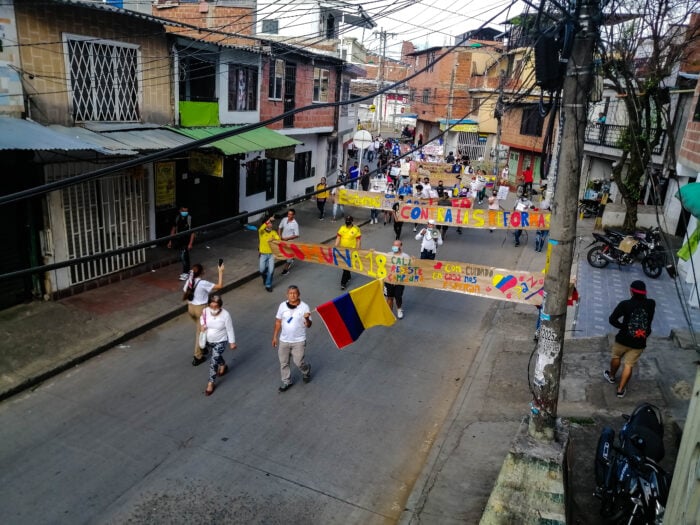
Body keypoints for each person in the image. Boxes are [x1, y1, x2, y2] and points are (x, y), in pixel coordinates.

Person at [604, 280, 656, 398]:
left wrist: (624, 327)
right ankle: (620, 390)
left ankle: (611, 376)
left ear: (631, 292)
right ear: (644, 292)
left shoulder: (625, 304)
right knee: (629, 365)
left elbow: (612, 319)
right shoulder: (651, 303)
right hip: (639, 341)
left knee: (616, 356)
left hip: (623, 338)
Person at [272, 285, 312, 392]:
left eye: (295, 293)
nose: (292, 295)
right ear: (287, 295)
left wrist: (307, 318)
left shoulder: (304, 307)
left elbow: (309, 325)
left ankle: (306, 370)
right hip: (284, 340)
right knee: (283, 363)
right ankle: (286, 381)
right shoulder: (282, 306)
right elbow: (278, 322)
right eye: (290, 293)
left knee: (299, 362)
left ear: (298, 294)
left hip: (298, 341)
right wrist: (275, 337)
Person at [183, 263, 224, 366]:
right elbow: (219, 286)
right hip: (200, 309)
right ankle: (197, 356)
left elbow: (185, 290)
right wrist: (220, 272)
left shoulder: (189, 281)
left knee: (203, 328)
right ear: (202, 272)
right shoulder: (203, 283)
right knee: (200, 332)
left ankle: (203, 346)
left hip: (190, 308)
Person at [200, 294, 236, 396]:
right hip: (209, 340)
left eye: (216, 306)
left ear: (220, 306)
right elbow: (202, 318)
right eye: (211, 306)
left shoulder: (225, 315)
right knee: (216, 356)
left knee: (213, 361)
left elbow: (229, 329)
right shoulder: (205, 311)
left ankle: (210, 383)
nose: (213, 308)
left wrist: (232, 342)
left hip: (221, 340)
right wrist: (203, 325)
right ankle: (223, 365)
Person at [168, 206, 196, 280]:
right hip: (179, 240)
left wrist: (190, 243)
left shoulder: (190, 219)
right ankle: (187, 271)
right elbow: (173, 230)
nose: (185, 212)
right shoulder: (177, 218)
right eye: (183, 211)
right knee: (185, 256)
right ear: (180, 210)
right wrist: (170, 241)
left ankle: (185, 273)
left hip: (186, 241)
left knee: (184, 256)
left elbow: (193, 232)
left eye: (186, 211)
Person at [335, 215, 362, 290]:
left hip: (351, 251)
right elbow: (338, 237)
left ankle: (343, 283)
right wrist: (335, 246)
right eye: (346, 221)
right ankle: (348, 275)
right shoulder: (342, 228)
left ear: (351, 221)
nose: (347, 222)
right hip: (342, 250)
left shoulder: (356, 229)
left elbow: (358, 240)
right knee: (345, 266)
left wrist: (358, 250)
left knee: (346, 266)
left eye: (349, 221)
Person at [384, 240, 409, 319]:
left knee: (398, 296)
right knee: (389, 297)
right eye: (393, 245)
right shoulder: (388, 255)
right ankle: (389, 313)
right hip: (389, 280)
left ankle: (399, 309)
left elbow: (410, 267)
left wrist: (413, 260)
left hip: (400, 281)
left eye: (396, 245)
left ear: (400, 246)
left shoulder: (405, 256)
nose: (394, 247)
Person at [258, 216, 280, 292]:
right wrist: (269, 220)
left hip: (271, 254)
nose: (271, 224)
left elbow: (278, 239)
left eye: (271, 223)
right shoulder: (262, 232)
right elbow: (261, 228)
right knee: (261, 270)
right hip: (263, 254)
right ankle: (265, 277)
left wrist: (274, 238)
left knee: (271, 271)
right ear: (266, 224)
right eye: (269, 223)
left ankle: (268, 285)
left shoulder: (273, 232)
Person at [278, 208, 299, 274]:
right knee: (283, 253)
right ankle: (292, 258)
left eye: (290, 214)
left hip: (290, 241)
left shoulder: (295, 224)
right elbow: (279, 227)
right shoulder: (284, 219)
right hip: (282, 240)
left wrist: (287, 238)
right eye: (288, 214)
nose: (289, 215)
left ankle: (285, 269)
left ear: (293, 215)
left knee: (289, 255)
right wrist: (279, 236)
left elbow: (297, 235)